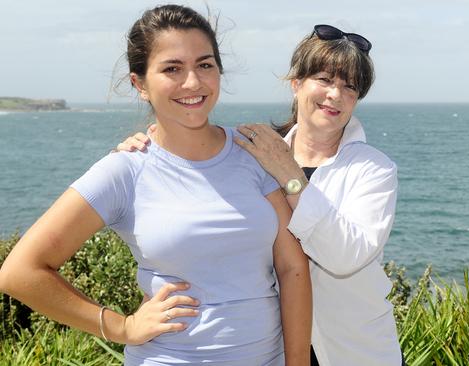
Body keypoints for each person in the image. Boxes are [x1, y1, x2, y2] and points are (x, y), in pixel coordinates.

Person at [0, 5, 311, 366]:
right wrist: (121, 327)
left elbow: (292, 270)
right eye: (172, 69)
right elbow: (20, 272)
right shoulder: (125, 170)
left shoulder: (253, 153)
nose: (193, 82)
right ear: (140, 84)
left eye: (205, 64)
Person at [119, 24, 403, 366]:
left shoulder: (374, 169)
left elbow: (346, 256)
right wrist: (145, 148)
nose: (335, 95)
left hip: (356, 352)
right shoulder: (255, 151)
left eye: (350, 87)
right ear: (296, 83)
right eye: (325, 80)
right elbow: (193, 156)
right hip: (269, 349)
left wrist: (291, 178)